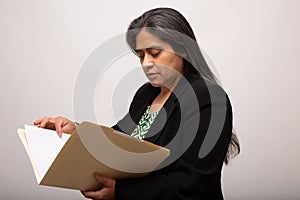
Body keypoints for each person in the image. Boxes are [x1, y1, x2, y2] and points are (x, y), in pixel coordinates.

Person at [34, 7, 240, 200]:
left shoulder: (210, 98)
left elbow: (193, 183)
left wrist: (121, 192)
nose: (146, 63)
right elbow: (119, 140)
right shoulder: (146, 94)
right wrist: (76, 132)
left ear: (183, 49)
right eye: (141, 55)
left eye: (155, 53)